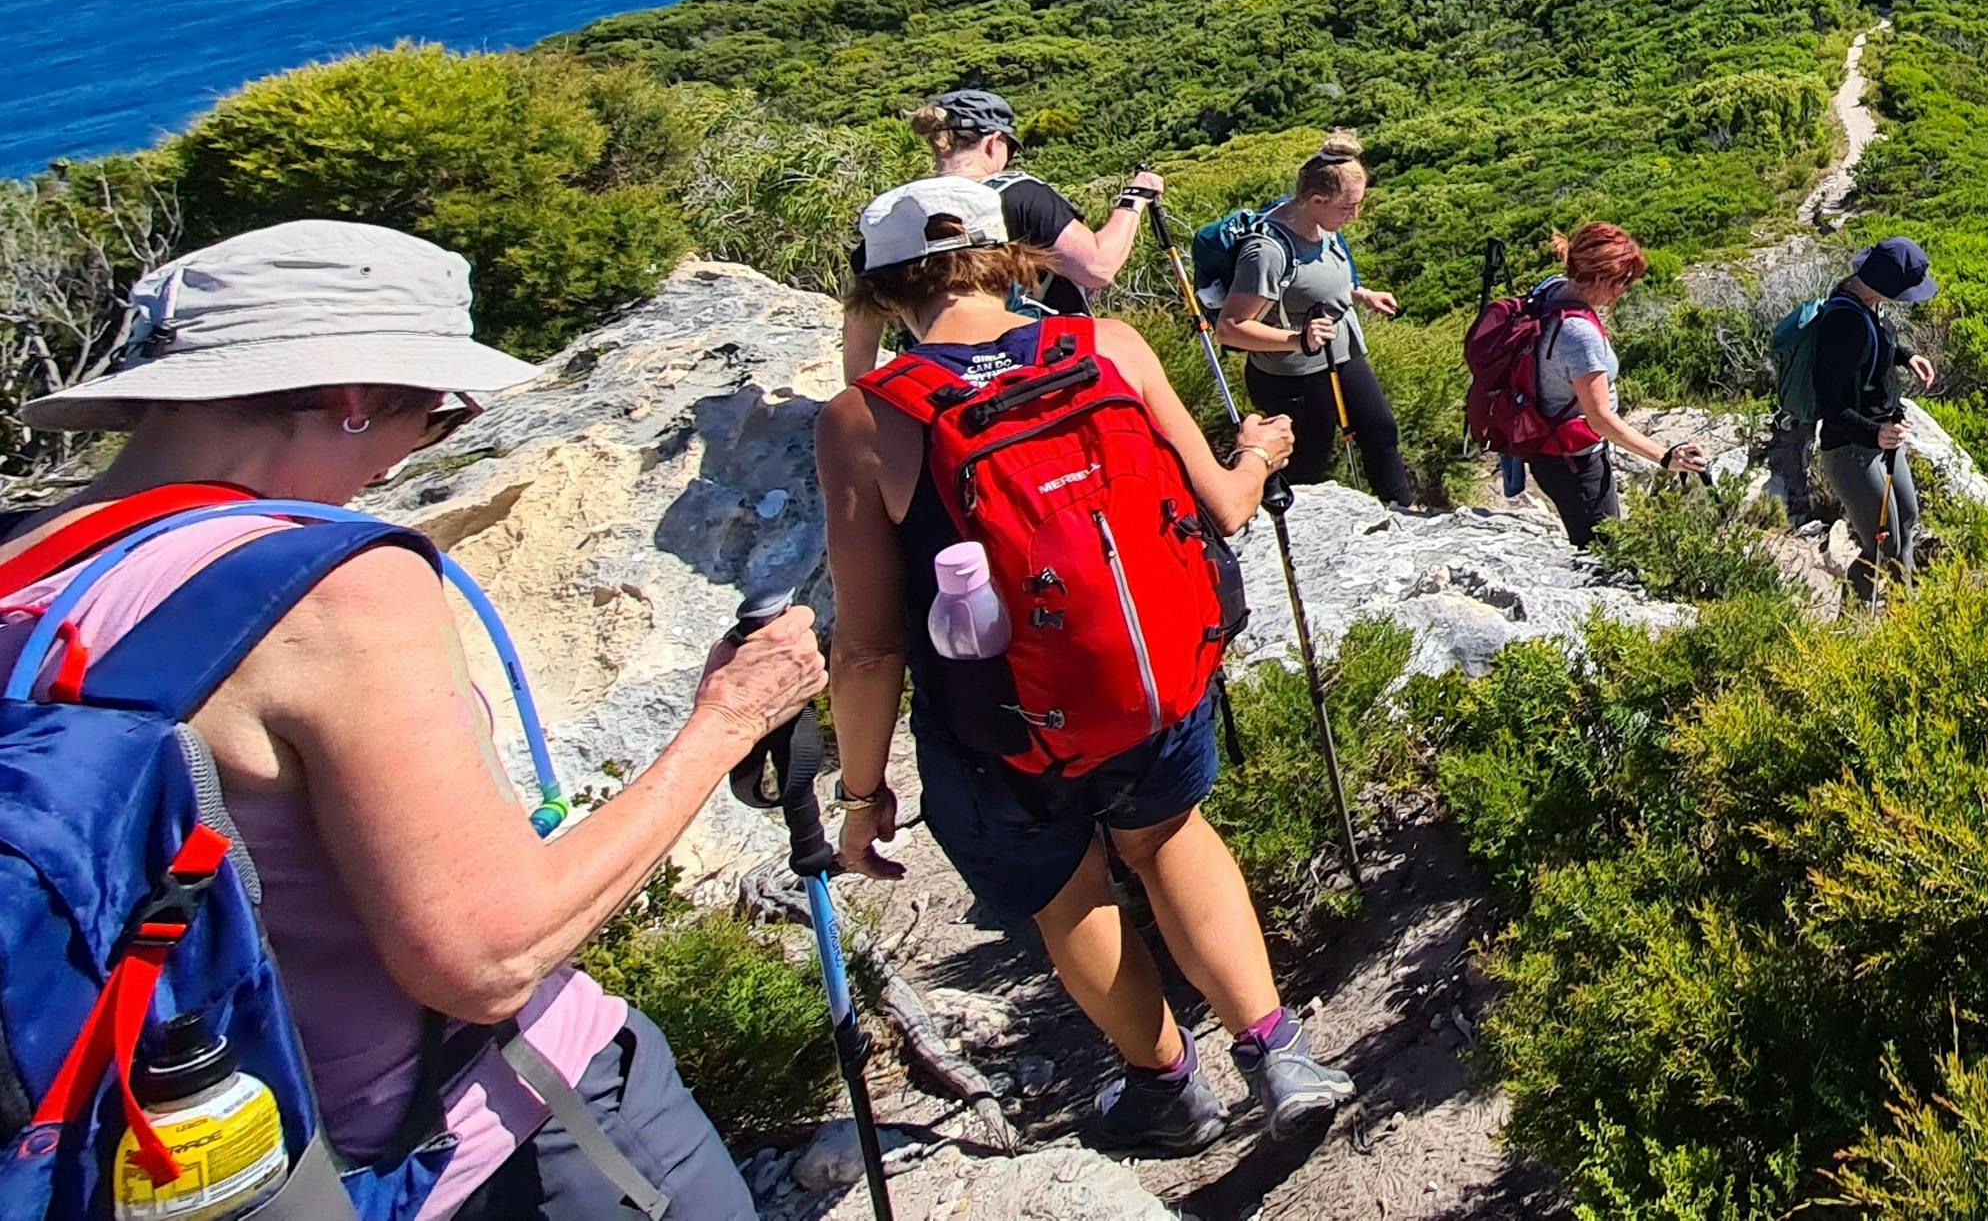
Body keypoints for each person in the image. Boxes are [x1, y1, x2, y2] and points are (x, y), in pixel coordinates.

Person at [0, 220, 824, 1221]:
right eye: (434, 417)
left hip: (196, 1163)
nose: (402, 462)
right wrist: (733, 717)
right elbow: (487, 956)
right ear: (351, 400)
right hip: (488, 1137)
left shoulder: (27, 572)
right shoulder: (326, 590)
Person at [812, 178, 1349, 1157]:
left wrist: (861, 794)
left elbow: (871, 643)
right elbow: (1225, 509)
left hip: (1000, 731)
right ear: (1006, 256)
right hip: (1156, 682)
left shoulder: (865, 421)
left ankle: (1168, 1088)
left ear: (883, 293)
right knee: (1172, 837)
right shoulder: (1108, 348)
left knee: (1071, 892)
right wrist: (1262, 450)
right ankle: (1279, 1055)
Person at [841, 89, 1162, 380]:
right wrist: (1133, 199)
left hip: (941, 383)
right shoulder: (1021, 195)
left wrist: (862, 395)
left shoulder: (893, 214)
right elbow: (1098, 268)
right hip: (1042, 370)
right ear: (993, 142)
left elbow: (861, 320)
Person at [1216, 134, 1411, 507]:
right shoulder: (1267, 252)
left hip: (1340, 351)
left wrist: (1360, 294)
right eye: (1347, 207)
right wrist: (1296, 340)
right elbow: (1231, 328)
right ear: (1316, 200)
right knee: (1308, 460)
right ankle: (1298, 538)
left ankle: (1405, 513)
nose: (1354, 216)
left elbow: (1314, 282)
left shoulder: (1323, 226)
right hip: (1292, 374)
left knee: (1380, 430)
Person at [1509, 225, 1706, 549]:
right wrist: (1664, 456)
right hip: (1575, 462)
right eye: (1622, 283)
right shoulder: (1578, 334)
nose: (1623, 292)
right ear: (1602, 279)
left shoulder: (1553, 289)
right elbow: (1599, 418)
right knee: (1604, 551)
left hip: (1550, 453)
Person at [1807, 238, 1942, 596]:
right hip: (1851, 449)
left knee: (1908, 517)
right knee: (1884, 546)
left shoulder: (1868, 301)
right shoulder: (1844, 324)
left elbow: (1877, 344)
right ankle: (1856, 620)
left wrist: (1906, 356)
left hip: (1882, 437)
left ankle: (1904, 604)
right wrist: (1874, 433)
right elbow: (1829, 404)